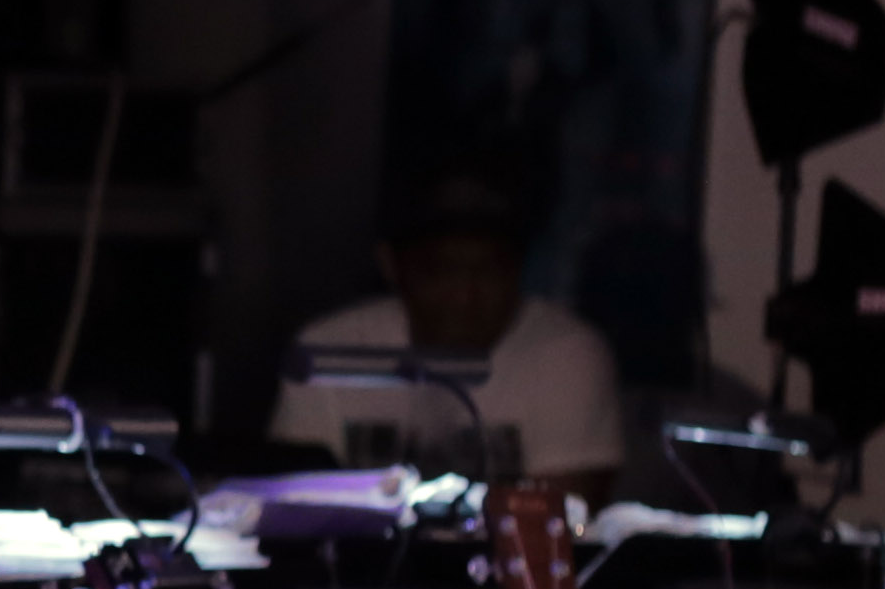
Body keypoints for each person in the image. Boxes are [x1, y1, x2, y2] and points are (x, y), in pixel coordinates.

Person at [264, 176, 625, 482]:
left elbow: (565, 513)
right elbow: (292, 502)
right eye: (442, 271)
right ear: (392, 266)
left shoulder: (565, 354)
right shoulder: (328, 350)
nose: (465, 296)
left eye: (488, 271)